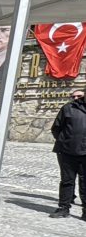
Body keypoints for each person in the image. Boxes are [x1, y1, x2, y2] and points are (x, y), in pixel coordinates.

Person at [48, 90, 86, 219]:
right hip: (67, 151)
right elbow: (56, 128)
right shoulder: (68, 108)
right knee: (67, 181)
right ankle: (64, 208)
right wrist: (65, 141)